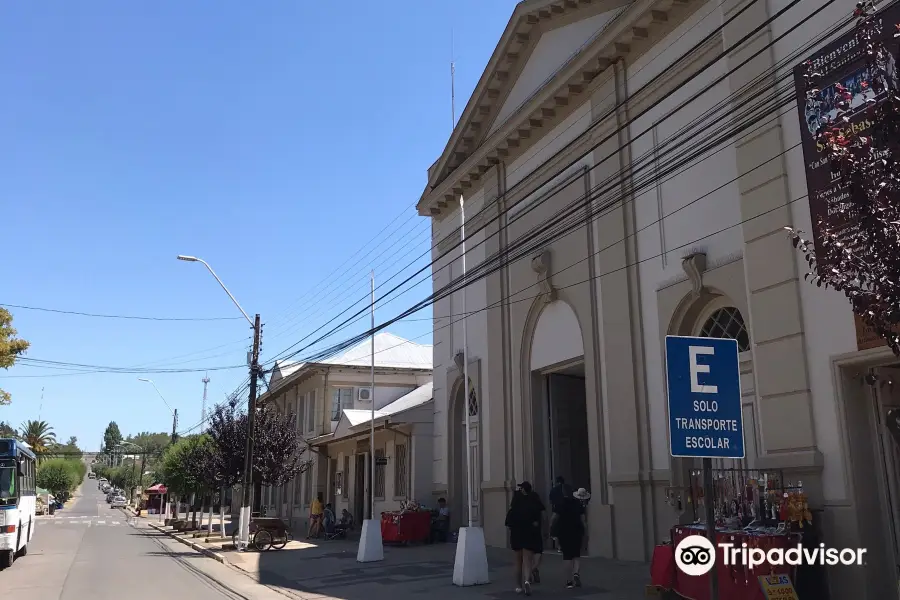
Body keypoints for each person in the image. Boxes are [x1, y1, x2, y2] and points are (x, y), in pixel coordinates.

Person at [505, 481, 545, 596]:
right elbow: (539, 519)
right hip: (529, 535)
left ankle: (518, 586)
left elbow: (508, 524)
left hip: (516, 536)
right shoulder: (533, 506)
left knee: (518, 562)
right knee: (527, 561)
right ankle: (527, 580)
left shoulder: (514, 509)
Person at [556, 485, 586, 588]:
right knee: (577, 555)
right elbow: (583, 520)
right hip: (577, 531)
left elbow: (555, 518)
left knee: (567, 557)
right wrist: (585, 531)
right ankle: (576, 573)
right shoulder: (578, 504)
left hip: (564, 532)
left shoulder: (561, 504)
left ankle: (569, 581)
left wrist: (553, 530)